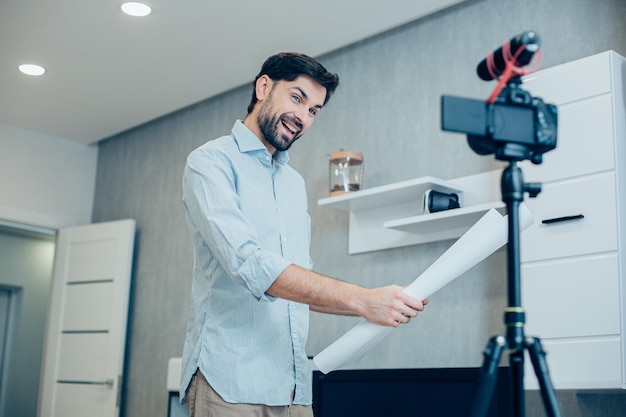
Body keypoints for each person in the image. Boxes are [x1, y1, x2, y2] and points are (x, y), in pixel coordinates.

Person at [180, 52, 428, 417]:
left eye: (314, 110)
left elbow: (299, 289)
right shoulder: (210, 163)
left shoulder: (294, 185)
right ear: (264, 87)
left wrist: (378, 308)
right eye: (297, 98)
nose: (303, 117)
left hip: (294, 386)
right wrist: (362, 299)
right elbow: (251, 264)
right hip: (228, 383)